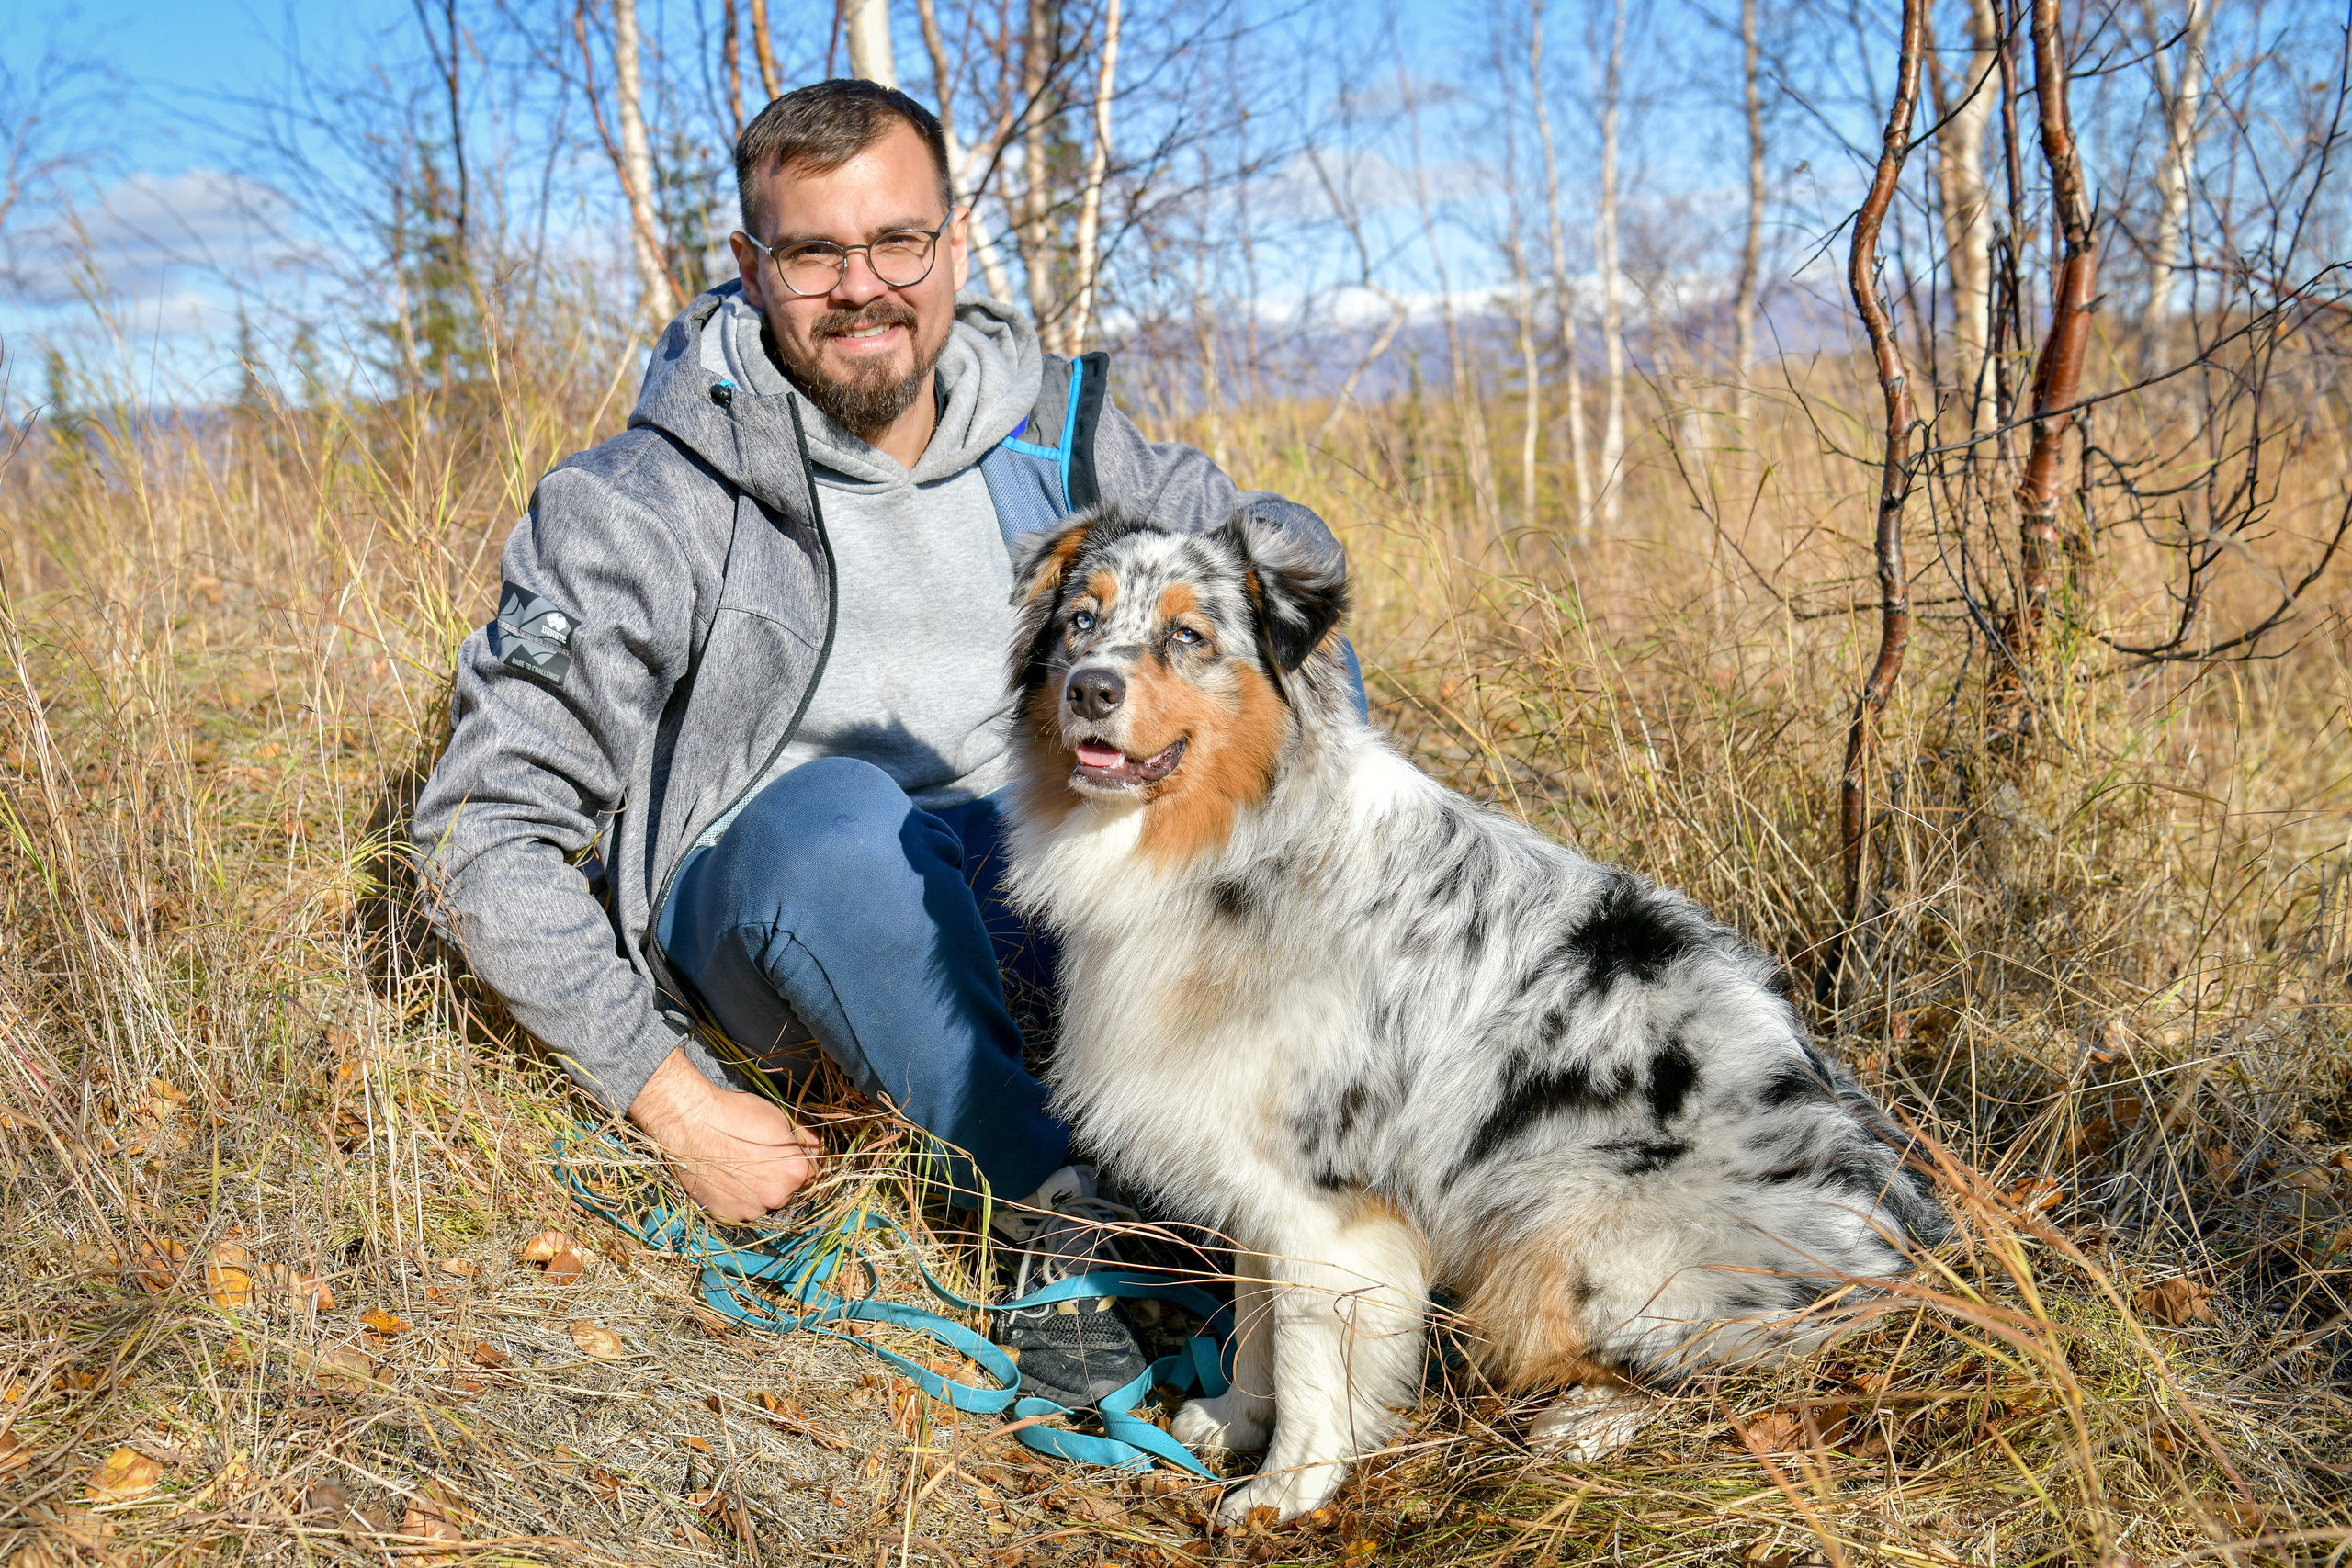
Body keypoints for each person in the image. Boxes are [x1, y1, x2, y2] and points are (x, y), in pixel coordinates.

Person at [408, 79, 1350, 1408]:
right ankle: (1061, 1224)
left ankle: (1343, 1176)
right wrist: (670, 1101)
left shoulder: (1063, 436)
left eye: (897, 241)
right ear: (751, 265)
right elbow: (478, 828)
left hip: (1044, 892)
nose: (864, 288)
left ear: (955, 242)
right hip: (792, 913)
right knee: (836, 815)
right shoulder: (640, 504)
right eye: (812, 253)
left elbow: (1270, 567)